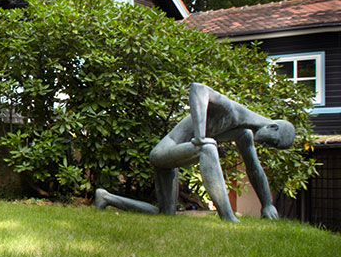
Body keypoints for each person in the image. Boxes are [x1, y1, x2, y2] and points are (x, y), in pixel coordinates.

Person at [94, 83, 295, 223]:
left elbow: (254, 168)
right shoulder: (231, 111)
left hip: (176, 157)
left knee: (165, 215)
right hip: (164, 152)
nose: (268, 145)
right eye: (273, 142)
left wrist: (267, 204)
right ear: (273, 128)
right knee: (207, 147)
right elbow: (198, 89)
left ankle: (106, 198)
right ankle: (228, 218)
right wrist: (199, 136)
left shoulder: (244, 133)